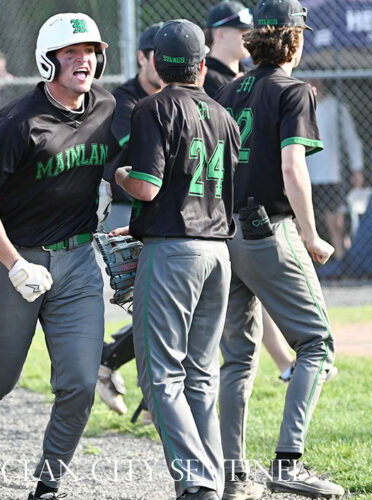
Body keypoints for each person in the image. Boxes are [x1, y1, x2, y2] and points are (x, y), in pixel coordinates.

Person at [0, 13, 119, 500]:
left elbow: (120, 168)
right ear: (48, 61)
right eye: (71, 52)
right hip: (16, 258)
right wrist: (15, 264)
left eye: (90, 51)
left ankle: (47, 485)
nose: (84, 60)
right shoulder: (19, 121)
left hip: (78, 261)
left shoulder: (106, 106)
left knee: (80, 383)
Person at [214, 1, 344, 498]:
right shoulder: (294, 90)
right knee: (316, 345)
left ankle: (233, 475)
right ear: (295, 39)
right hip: (269, 230)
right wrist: (311, 234)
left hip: (224, 233)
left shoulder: (229, 90)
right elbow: (293, 167)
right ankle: (289, 464)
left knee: (237, 358)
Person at [114, 19, 239, 500]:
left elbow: (146, 187)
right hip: (218, 252)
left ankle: (196, 481)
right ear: (202, 66)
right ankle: (215, 480)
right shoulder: (223, 114)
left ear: (155, 63)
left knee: (161, 374)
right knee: (201, 375)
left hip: (173, 252)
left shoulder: (153, 107)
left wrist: (122, 176)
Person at [96, 22, 165, 419]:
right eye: (158, 54)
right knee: (155, 307)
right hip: (126, 212)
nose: (166, 62)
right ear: (142, 57)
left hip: (164, 213)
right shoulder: (123, 100)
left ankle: (108, 362)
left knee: (161, 307)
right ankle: (154, 398)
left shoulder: (177, 97)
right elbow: (144, 152)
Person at [307, 79, 364, 260]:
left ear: (322, 81)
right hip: (304, 173)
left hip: (330, 173)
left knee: (335, 224)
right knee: (298, 224)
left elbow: (351, 139)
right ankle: (300, 265)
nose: (311, 82)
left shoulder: (336, 106)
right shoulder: (298, 105)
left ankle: (341, 262)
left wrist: (357, 168)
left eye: (315, 79)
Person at [203, 1, 253, 98]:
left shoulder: (249, 74)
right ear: (220, 35)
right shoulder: (204, 79)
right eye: (243, 32)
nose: (250, 38)